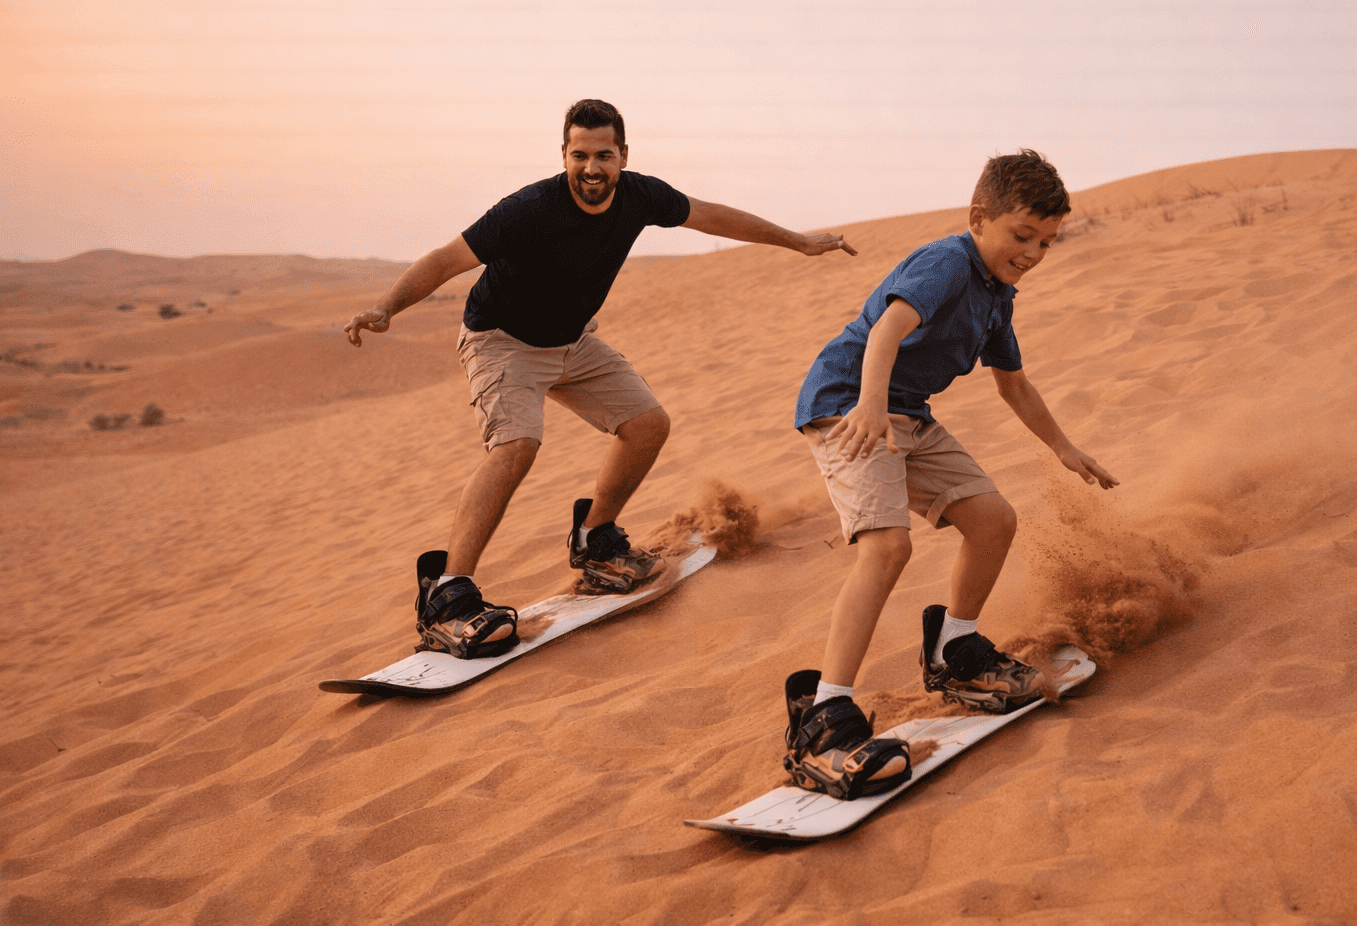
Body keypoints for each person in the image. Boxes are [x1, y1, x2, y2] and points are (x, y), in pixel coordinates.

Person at [344, 99, 855, 660]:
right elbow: (448, 258)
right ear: (563, 156)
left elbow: (713, 216)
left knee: (647, 425)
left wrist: (799, 241)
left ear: (623, 157)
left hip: (569, 341)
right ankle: (446, 595)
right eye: (579, 155)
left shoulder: (641, 195)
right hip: (501, 340)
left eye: (604, 155)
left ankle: (595, 537)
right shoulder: (529, 208)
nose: (592, 168)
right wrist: (388, 306)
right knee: (516, 445)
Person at [780, 149, 1119, 800]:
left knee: (993, 520)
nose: (1033, 252)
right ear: (979, 219)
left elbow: (1014, 386)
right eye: (1022, 236)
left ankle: (954, 653)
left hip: (905, 414)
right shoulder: (947, 263)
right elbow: (885, 332)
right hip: (848, 408)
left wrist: (1064, 448)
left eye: (1046, 241)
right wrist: (871, 405)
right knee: (887, 548)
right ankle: (822, 716)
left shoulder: (998, 297)